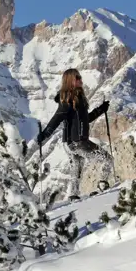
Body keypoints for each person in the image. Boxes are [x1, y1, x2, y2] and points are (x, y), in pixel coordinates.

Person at [36, 68, 112, 199]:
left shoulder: (77, 98)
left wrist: (101, 109)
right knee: (107, 159)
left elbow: (85, 119)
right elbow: (57, 118)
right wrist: (45, 134)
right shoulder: (67, 100)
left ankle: (73, 195)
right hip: (78, 142)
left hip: (71, 143)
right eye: (77, 78)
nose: (80, 80)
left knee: (78, 164)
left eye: (80, 77)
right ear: (70, 81)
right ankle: (102, 186)